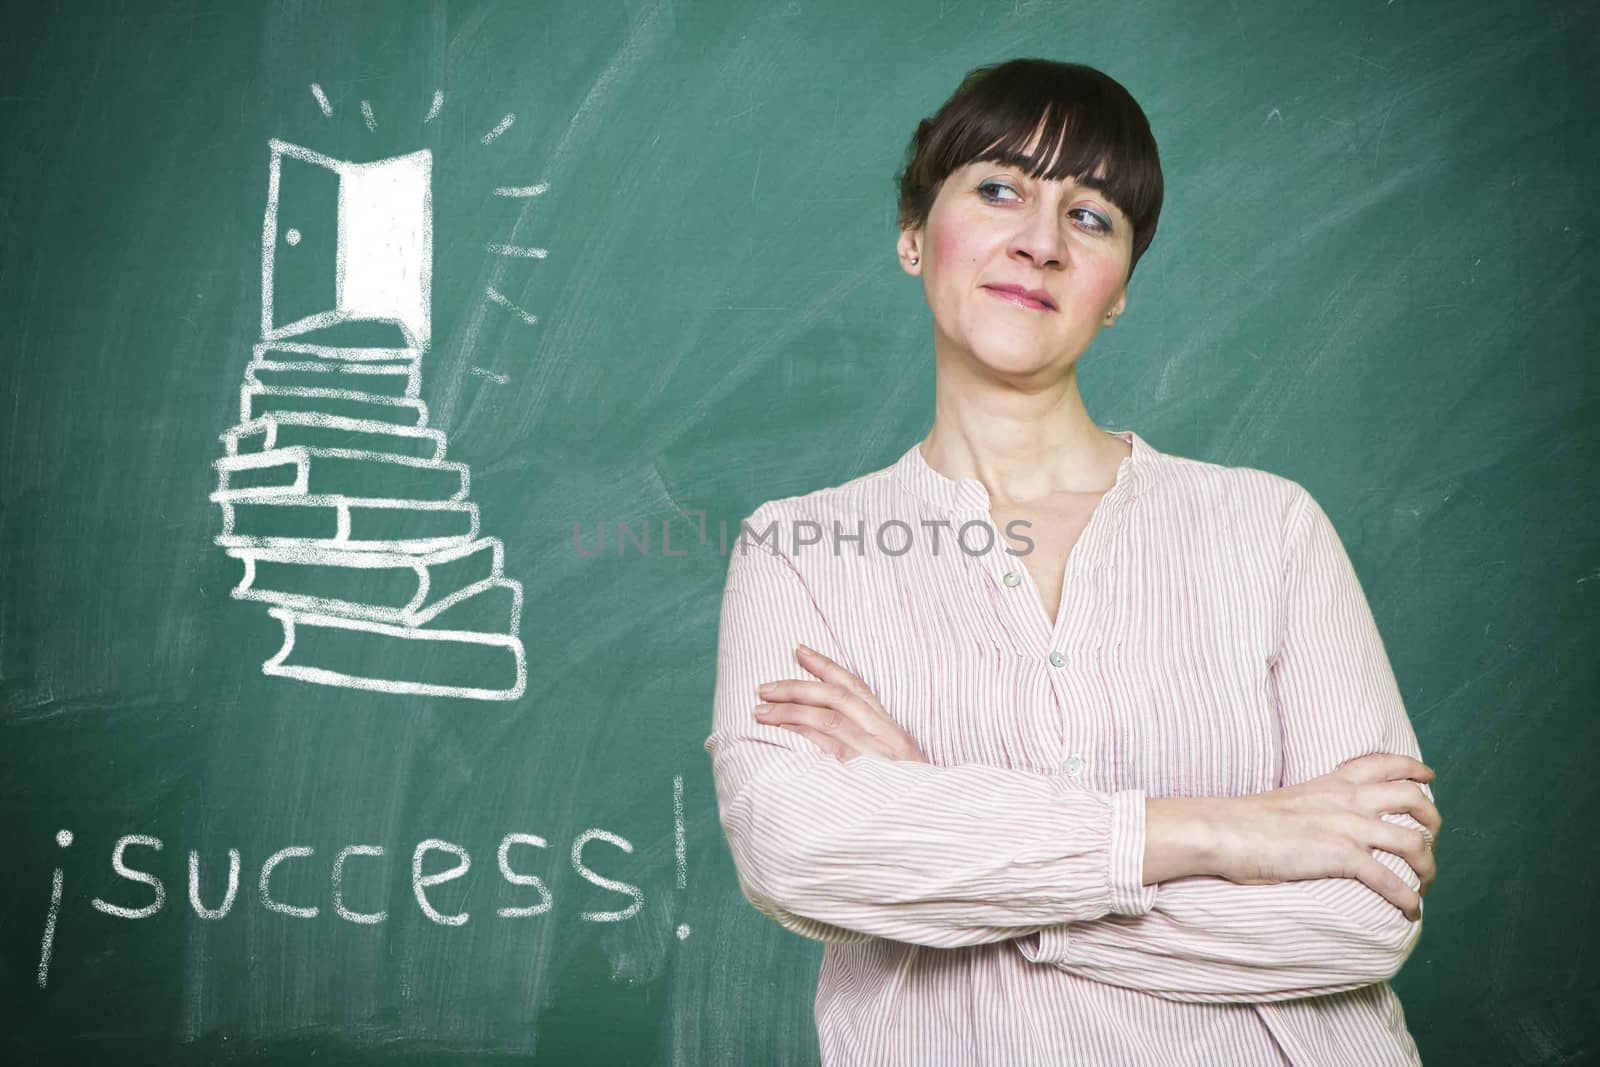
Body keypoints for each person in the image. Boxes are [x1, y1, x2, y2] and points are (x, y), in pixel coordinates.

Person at [704, 58, 1441, 1066]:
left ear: (1120, 289)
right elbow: (799, 851)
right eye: (998, 189)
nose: (1039, 242)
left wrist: (941, 821)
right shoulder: (799, 549)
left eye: (1091, 216)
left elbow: (1366, 906)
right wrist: (1219, 834)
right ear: (914, 237)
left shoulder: (1270, 526)